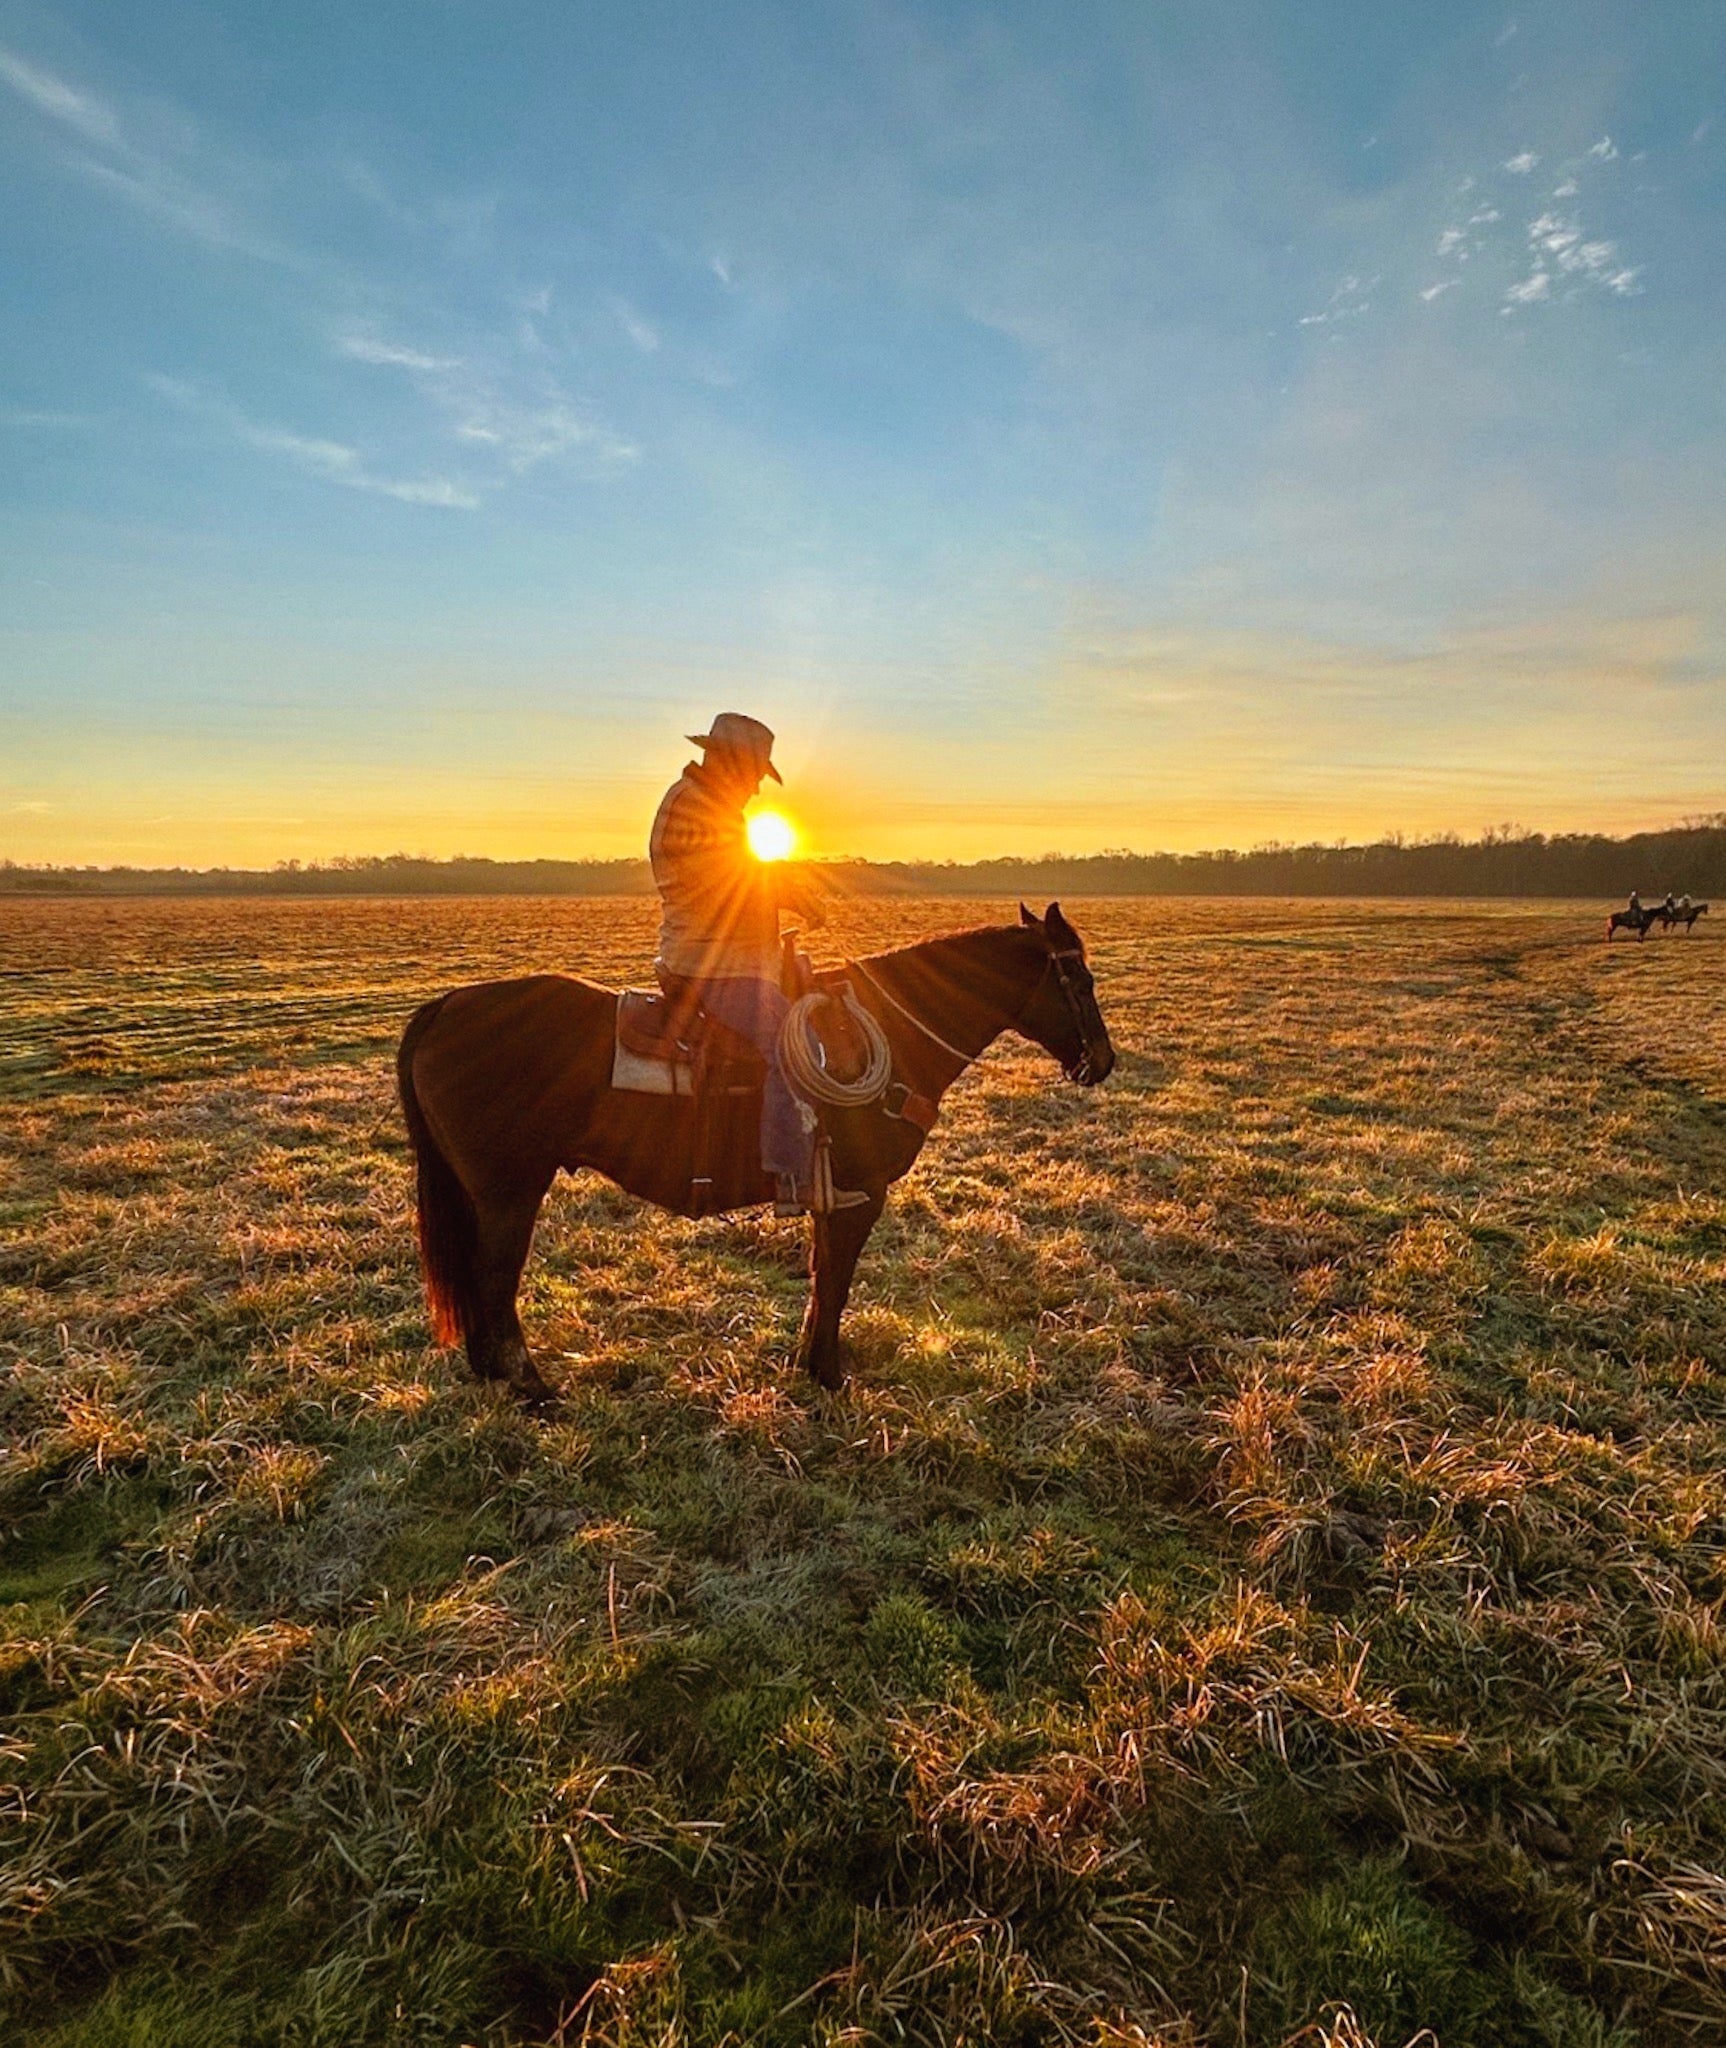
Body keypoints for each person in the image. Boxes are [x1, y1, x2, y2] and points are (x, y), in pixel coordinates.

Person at [649, 714, 862, 1215]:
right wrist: (792, 894)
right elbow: (733, 880)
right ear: (728, 765)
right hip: (712, 964)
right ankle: (790, 1179)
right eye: (752, 776)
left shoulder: (705, 805)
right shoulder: (698, 809)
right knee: (793, 1042)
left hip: (719, 956)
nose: (755, 790)